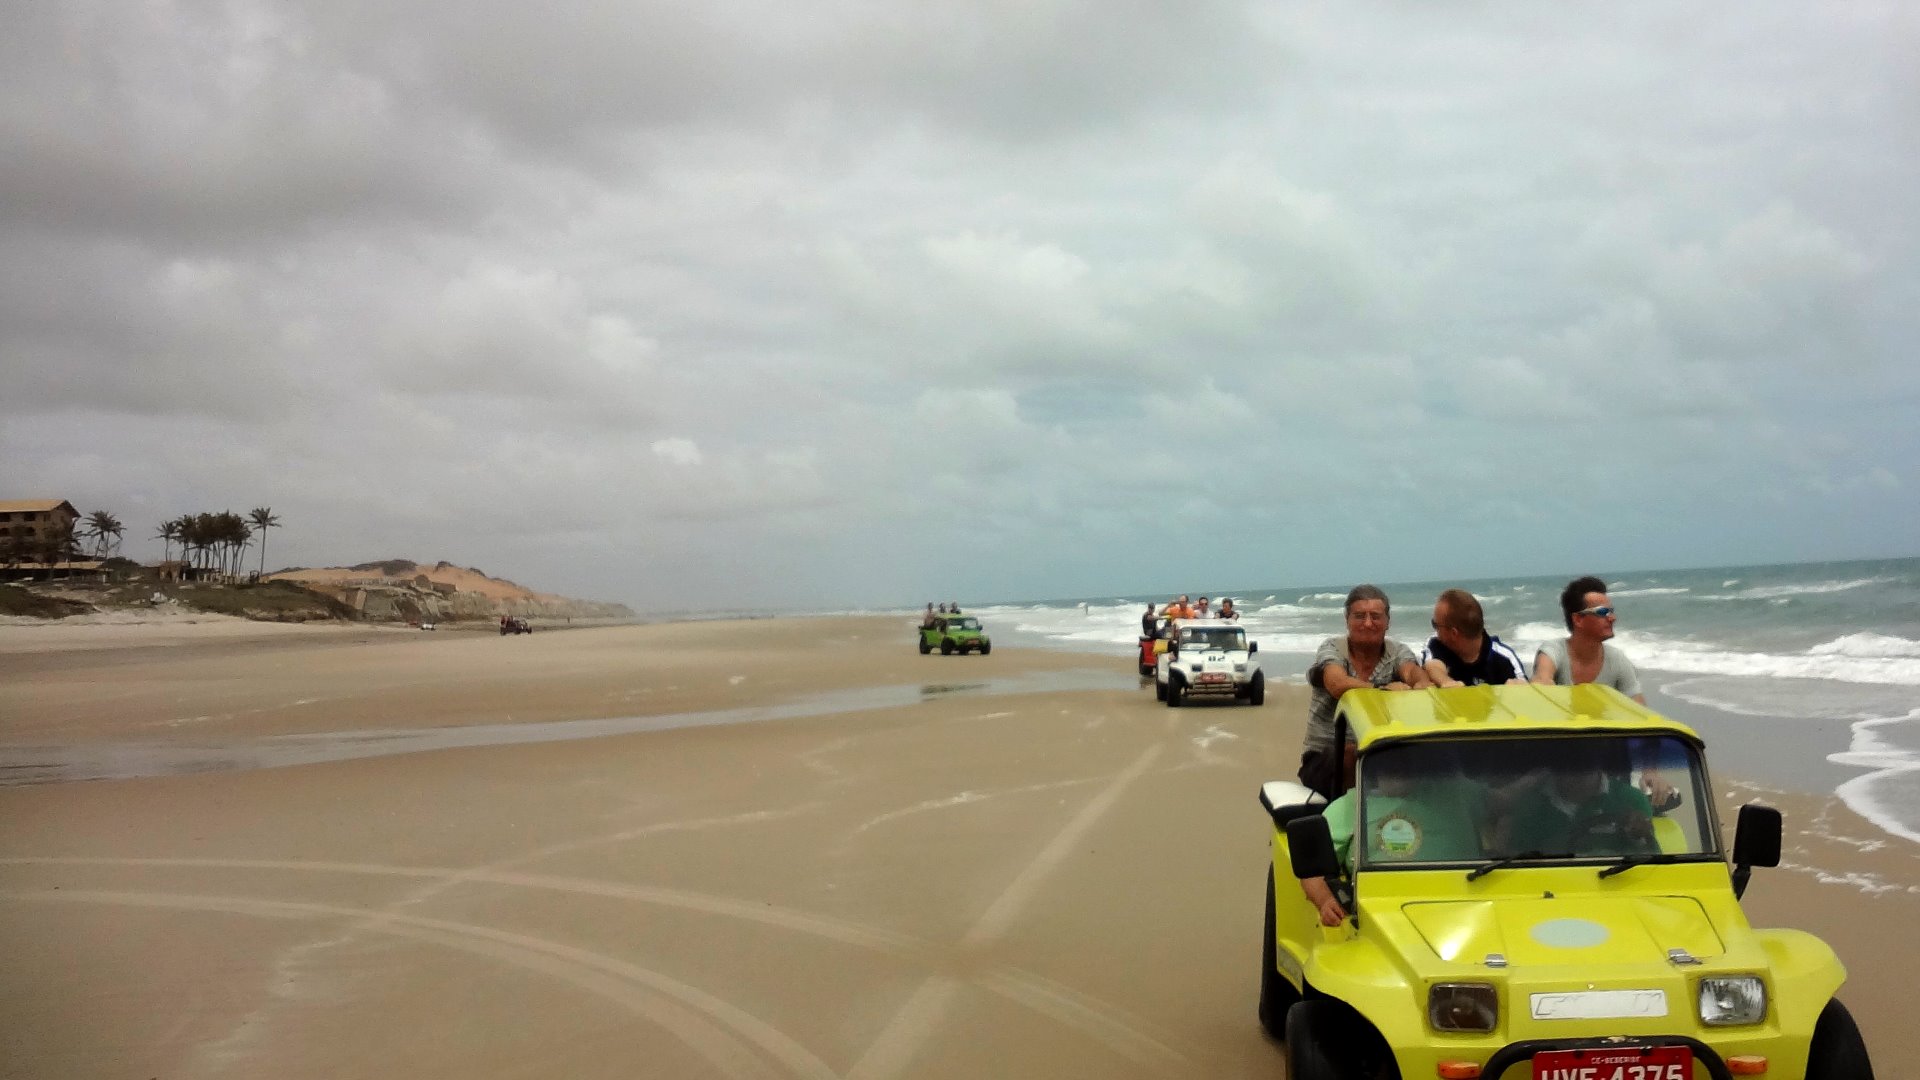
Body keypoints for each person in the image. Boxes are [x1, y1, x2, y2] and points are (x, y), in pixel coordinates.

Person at [1300, 748, 1486, 925]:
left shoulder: (1454, 791)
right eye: (1387, 759)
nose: (1397, 765)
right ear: (1373, 764)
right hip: (1378, 909)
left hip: (1467, 897)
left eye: (1405, 757)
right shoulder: (1348, 807)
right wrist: (1326, 902)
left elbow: (1499, 805)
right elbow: (1311, 869)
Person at [1300, 585, 1434, 799]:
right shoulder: (1334, 648)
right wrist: (1383, 690)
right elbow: (1337, 684)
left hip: (1380, 755)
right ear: (1347, 620)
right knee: (1350, 753)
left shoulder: (1397, 652)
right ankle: (1350, 818)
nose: (1368, 623)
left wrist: (1420, 685)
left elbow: (1412, 672)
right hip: (1324, 758)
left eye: (1376, 616)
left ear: (1388, 621)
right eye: (1360, 616)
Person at [1495, 742, 1657, 857]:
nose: (1578, 770)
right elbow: (1517, 864)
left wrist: (1639, 838)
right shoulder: (1531, 805)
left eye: (1586, 760)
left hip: (1614, 887)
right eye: (1571, 759)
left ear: (1599, 761)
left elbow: (1652, 867)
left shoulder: (1631, 799)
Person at [1531, 576, 1644, 704]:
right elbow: (1541, 680)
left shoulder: (1617, 659)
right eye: (1603, 612)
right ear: (1578, 619)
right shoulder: (1554, 650)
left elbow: (1638, 706)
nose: (1612, 618)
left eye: (1611, 611)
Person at [1421, 589, 1527, 687]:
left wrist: (1517, 688)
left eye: (1435, 625)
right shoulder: (1435, 644)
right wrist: (1446, 682)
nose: (1435, 631)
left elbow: (1525, 688)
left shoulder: (1504, 657)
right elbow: (1433, 667)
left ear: (1454, 633)